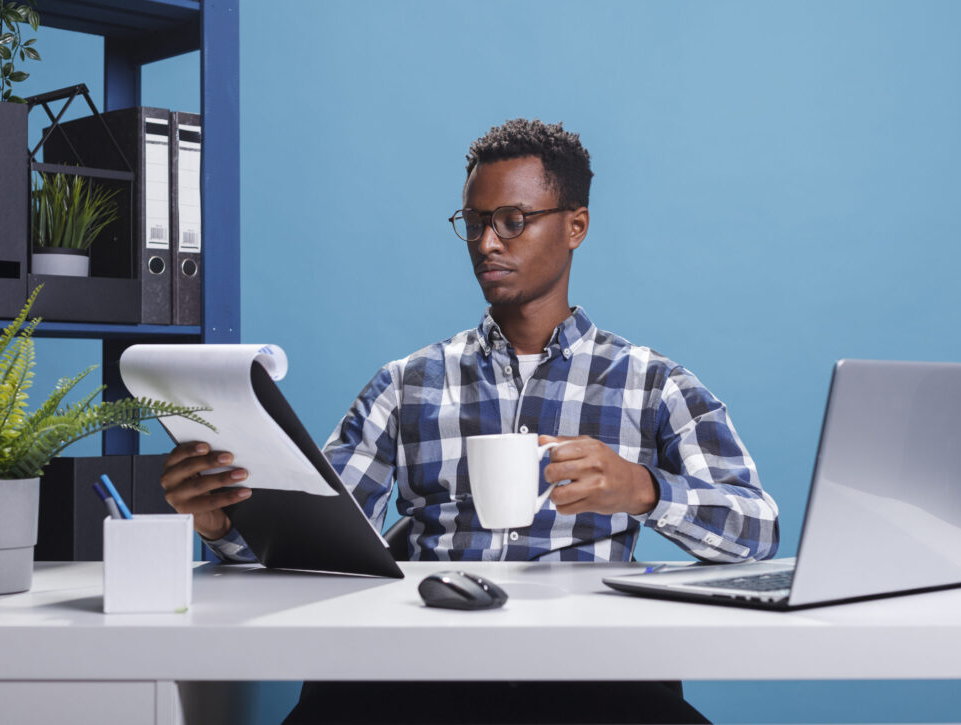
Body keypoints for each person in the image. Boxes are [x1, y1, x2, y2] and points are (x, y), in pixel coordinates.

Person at [161, 119, 779, 723]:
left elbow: (758, 531)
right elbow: (318, 537)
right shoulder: (406, 383)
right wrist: (221, 521)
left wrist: (644, 490)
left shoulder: (652, 383)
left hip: (588, 670)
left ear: (575, 226)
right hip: (423, 667)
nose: (487, 243)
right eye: (475, 223)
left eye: (513, 221)